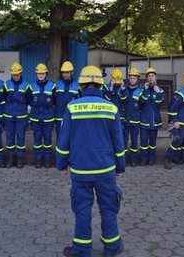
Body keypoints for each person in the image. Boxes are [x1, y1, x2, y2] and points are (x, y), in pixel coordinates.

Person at [56, 65, 125, 257]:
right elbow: (118, 142)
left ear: (82, 84)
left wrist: (61, 163)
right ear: (100, 84)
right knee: (108, 208)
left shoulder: (72, 107)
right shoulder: (111, 107)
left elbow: (63, 140)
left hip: (81, 170)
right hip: (105, 169)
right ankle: (112, 247)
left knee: (82, 209)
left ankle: (82, 250)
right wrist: (120, 166)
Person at [3, 62, 32, 168]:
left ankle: (20, 159)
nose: (15, 76)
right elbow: (3, 98)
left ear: (21, 73)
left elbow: (30, 100)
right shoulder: (6, 85)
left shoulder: (26, 85)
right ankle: (11, 159)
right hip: (9, 116)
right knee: (9, 138)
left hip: (21, 117)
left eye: (17, 74)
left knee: (21, 138)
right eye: (14, 75)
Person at [29, 63, 55, 168]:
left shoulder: (52, 86)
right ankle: (38, 159)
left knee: (48, 140)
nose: (41, 75)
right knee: (37, 140)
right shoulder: (31, 86)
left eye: (43, 73)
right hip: (36, 118)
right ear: (36, 74)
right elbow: (29, 100)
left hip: (48, 118)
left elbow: (55, 100)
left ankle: (47, 160)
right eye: (39, 73)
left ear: (46, 73)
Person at [139, 67, 164, 165]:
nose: (151, 78)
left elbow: (160, 104)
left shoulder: (160, 90)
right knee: (144, 143)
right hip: (144, 120)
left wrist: (158, 93)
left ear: (156, 77)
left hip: (155, 121)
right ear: (146, 78)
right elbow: (142, 102)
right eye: (149, 76)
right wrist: (145, 90)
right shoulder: (142, 90)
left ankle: (151, 158)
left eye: (153, 76)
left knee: (152, 143)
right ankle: (143, 159)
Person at [120, 67, 142, 167]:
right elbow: (123, 100)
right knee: (124, 141)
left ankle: (133, 159)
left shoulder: (140, 91)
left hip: (135, 121)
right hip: (125, 120)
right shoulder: (125, 89)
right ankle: (123, 160)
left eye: (134, 78)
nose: (132, 79)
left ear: (137, 79)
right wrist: (123, 89)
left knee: (134, 141)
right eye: (131, 78)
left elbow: (142, 105)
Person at [54, 61, 79, 141]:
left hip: (72, 116)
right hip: (59, 116)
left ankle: (70, 153)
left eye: (67, 72)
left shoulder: (77, 87)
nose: (65, 74)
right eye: (63, 72)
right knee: (59, 137)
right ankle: (59, 153)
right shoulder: (57, 85)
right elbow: (53, 100)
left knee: (71, 137)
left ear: (71, 72)